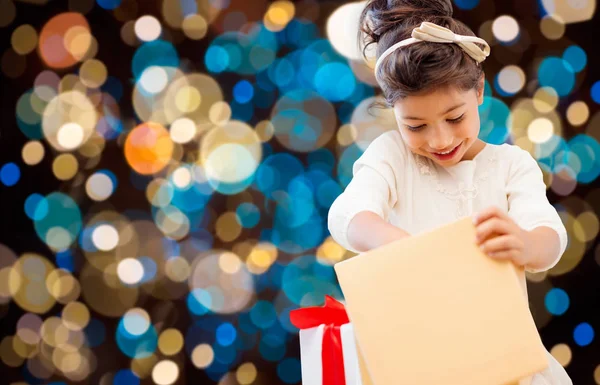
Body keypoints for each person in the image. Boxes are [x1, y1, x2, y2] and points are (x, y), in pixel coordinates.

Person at [327, 0, 573, 384]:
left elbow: (550, 239)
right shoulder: (393, 157)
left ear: (479, 90)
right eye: (415, 125)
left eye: (454, 118)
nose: (440, 140)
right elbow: (347, 216)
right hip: (420, 362)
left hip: (503, 360)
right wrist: (407, 250)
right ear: (394, 114)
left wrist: (525, 243)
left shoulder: (511, 165)